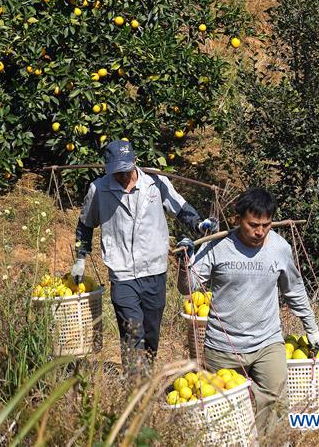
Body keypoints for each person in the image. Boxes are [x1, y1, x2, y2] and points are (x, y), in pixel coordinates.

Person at [177, 187, 319, 443]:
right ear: (237, 219)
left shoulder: (279, 247)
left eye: (266, 225)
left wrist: (311, 328)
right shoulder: (217, 245)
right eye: (253, 225)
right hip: (222, 347)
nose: (260, 232)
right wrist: (184, 261)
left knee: (276, 405)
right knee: (224, 414)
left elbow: (295, 291)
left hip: (268, 343)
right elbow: (187, 287)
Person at [71, 139, 218, 373]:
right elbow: (85, 224)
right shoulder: (99, 189)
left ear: (135, 162)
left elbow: (180, 208)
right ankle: (132, 385)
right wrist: (81, 257)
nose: (122, 176)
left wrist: (200, 224)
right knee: (132, 331)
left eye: (125, 169)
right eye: (116, 171)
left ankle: (145, 377)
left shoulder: (156, 182)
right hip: (122, 273)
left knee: (151, 333)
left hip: (154, 271)